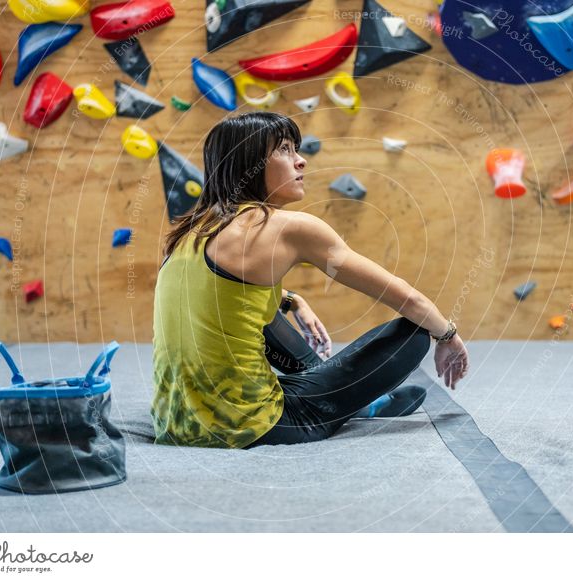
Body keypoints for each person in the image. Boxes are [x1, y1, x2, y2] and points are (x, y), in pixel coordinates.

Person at [152, 112, 469, 448]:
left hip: (176, 423)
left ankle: (350, 398)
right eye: (286, 150)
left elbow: (224, 299)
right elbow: (408, 299)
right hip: (259, 426)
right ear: (250, 162)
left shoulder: (190, 232)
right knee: (415, 333)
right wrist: (447, 335)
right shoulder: (289, 227)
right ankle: (358, 403)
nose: (301, 161)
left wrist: (291, 300)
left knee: (261, 312)